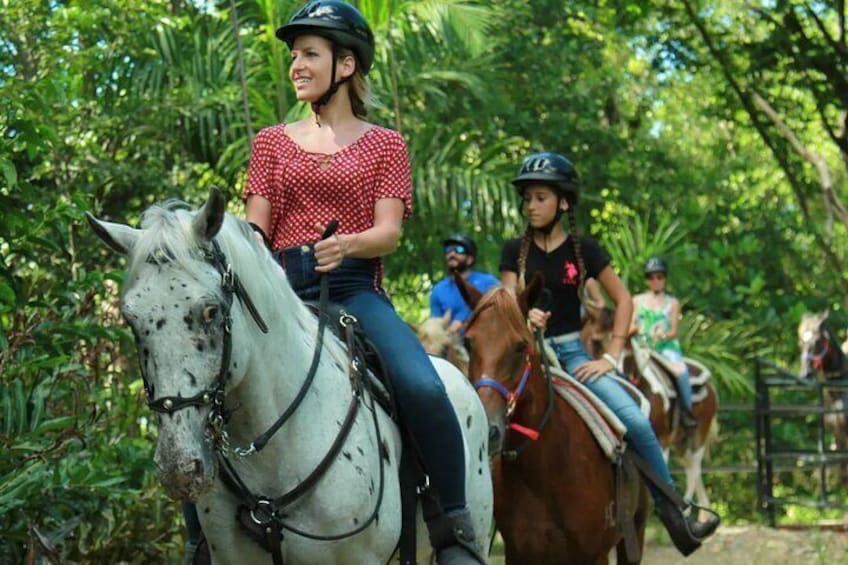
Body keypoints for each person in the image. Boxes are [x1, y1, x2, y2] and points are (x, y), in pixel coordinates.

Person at [224, 2, 483, 563]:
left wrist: (347, 246)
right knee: (209, 388)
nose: (296, 64)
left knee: (421, 385)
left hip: (354, 292)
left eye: (309, 54)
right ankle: (204, 539)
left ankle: (452, 527)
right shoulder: (269, 142)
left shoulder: (386, 144)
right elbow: (254, 232)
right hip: (278, 295)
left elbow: (388, 233)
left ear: (345, 64)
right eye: (294, 54)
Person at [499, 151, 719, 556]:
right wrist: (522, 313)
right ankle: (464, 521)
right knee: (484, 414)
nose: (531, 205)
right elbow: (505, 302)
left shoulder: (585, 250)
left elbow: (623, 301)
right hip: (526, 355)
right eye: (527, 197)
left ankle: (676, 513)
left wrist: (612, 356)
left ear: (563, 202)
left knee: (635, 418)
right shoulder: (515, 250)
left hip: (573, 355)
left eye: (541, 197)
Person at [631, 256, 697, 429]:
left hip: (665, 348)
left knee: (681, 372)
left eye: (659, 277)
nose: (656, 281)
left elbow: (673, 331)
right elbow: (632, 325)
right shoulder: (637, 301)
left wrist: (661, 336)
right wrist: (632, 331)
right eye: (651, 277)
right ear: (647, 280)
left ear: (665, 279)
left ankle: (686, 411)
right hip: (641, 347)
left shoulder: (672, 303)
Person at [430, 233, 499, 332]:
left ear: (470, 260)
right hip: (453, 343)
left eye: (459, 250)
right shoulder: (438, 290)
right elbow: (436, 327)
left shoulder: (489, 283)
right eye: (448, 250)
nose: (452, 254)